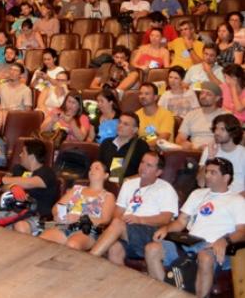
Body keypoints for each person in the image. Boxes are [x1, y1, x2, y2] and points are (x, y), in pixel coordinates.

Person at [145, 158, 245, 298]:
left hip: (215, 248)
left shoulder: (237, 201)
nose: (207, 175)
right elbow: (180, 222)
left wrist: (224, 240)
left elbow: (242, 232)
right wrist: (166, 228)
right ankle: (167, 293)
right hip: (188, 243)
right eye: (207, 172)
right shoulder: (197, 194)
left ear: (226, 177)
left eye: (213, 172)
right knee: (152, 248)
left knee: (204, 256)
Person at [90, 151, 179, 264]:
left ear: (158, 172)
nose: (143, 167)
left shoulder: (166, 189)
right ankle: (119, 281)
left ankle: (90, 259)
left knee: (117, 224)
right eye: (142, 162)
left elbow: (165, 218)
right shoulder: (129, 184)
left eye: (149, 165)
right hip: (126, 229)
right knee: (114, 249)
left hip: (150, 231)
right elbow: (118, 212)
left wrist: (139, 219)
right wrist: (121, 220)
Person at [39, 161, 116, 250]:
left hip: (87, 229)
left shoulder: (108, 196)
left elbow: (105, 220)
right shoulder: (76, 189)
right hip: (66, 225)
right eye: (90, 168)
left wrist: (80, 218)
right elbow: (56, 207)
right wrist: (59, 216)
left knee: (72, 245)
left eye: (97, 168)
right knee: (42, 240)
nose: (92, 170)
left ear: (106, 175)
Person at [3, 140, 59, 236]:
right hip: (14, 211)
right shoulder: (18, 169)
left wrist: (7, 181)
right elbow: (2, 186)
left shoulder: (47, 173)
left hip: (36, 216)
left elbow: (28, 183)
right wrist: (12, 186)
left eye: (23, 152)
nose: (20, 155)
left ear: (31, 156)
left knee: (20, 226)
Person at [198, 114, 245, 194]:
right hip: (212, 196)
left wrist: (237, 200)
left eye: (222, 129)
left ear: (233, 133)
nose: (217, 132)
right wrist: (210, 158)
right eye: (216, 128)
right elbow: (201, 183)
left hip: (237, 198)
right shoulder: (209, 149)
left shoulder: (242, 154)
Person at [99, 112, 148, 184]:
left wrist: (127, 181)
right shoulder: (106, 143)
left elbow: (147, 172)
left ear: (135, 130)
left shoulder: (141, 146)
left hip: (129, 187)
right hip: (105, 185)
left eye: (125, 124)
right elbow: (99, 165)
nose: (120, 125)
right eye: (119, 122)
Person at [177, 82, 225, 150]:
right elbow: (180, 138)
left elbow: (230, 140)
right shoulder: (191, 114)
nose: (203, 96)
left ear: (217, 98)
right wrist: (184, 143)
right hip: (194, 152)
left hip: (216, 152)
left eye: (208, 94)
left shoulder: (225, 115)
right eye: (202, 93)